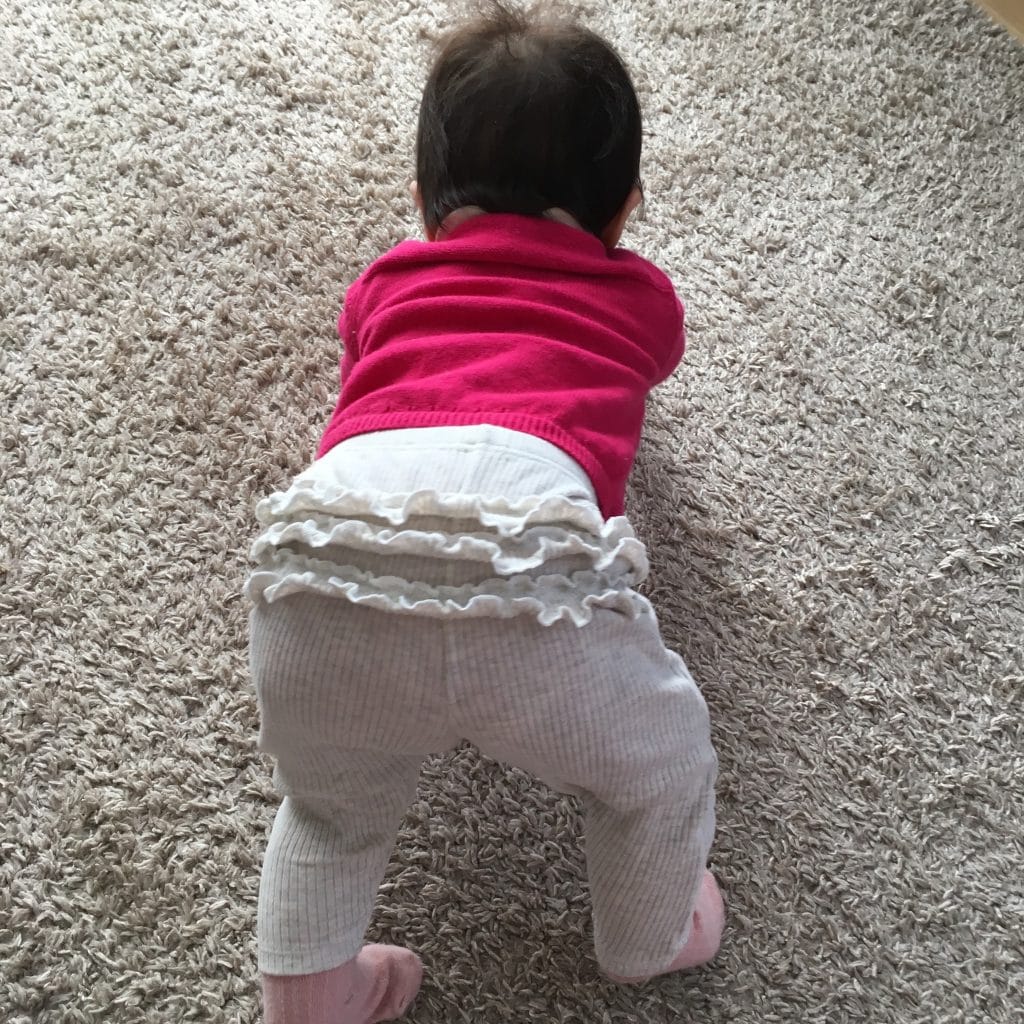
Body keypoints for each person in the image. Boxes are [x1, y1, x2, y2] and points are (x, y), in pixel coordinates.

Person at [246, 3, 724, 1021]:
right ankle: (652, 934)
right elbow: (655, 354)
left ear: (424, 204)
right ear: (623, 212)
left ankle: (310, 997)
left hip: (328, 554)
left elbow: (361, 346)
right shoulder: (636, 295)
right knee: (660, 758)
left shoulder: (387, 281)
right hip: (529, 568)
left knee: (327, 813)